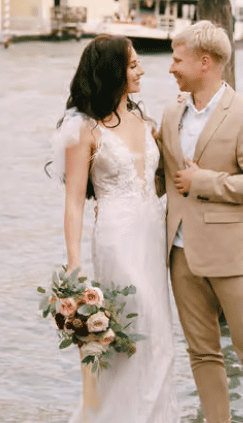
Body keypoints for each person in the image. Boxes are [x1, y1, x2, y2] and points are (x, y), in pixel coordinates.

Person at [157, 21, 243, 423]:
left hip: (232, 255)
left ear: (204, 62)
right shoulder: (169, 112)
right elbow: (162, 177)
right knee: (202, 352)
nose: (171, 68)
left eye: (178, 59)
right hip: (179, 256)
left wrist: (204, 181)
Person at [54, 34, 179, 423]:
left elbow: (156, 181)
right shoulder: (84, 130)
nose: (141, 70)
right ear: (113, 72)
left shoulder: (143, 120)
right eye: (132, 64)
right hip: (117, 238)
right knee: (133, 333)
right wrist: (74, 266)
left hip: (151, 235)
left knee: (159, 339)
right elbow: (75, 201)